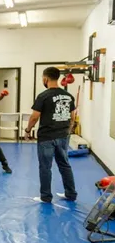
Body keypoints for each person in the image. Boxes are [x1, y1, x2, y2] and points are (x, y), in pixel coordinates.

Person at [25, 67, 77, 203]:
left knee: (45, 167)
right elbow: (72, 116)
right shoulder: (68, 96)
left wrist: (27, 130)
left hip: (47, 137)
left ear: (45, 78)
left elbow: (34, 117)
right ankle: (71, 194)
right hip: (63, 136)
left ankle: (46, 196)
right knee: (64, 164)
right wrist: (68, 130)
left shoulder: (44, 96)